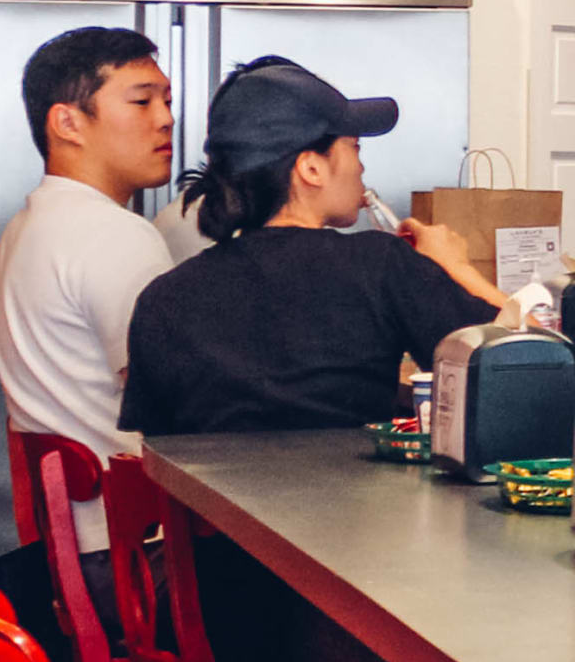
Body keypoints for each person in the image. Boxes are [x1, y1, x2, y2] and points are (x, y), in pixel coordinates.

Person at [121, 55, 507, 437]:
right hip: (356, 499)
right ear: (311, 168)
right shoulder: (379, 265)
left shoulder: (164, 299)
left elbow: (159, 456)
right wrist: (456, 267)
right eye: (354, 147)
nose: (361, 168)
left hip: (212, 501)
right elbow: (525, 372)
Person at [0, 26, 177, 662]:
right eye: (142, 101)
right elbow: (171, 400)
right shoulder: (113, 236)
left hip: (74, 563)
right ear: (67, 122)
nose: (166, 120)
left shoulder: (33, 224)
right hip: (135, 569)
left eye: (167, 101)